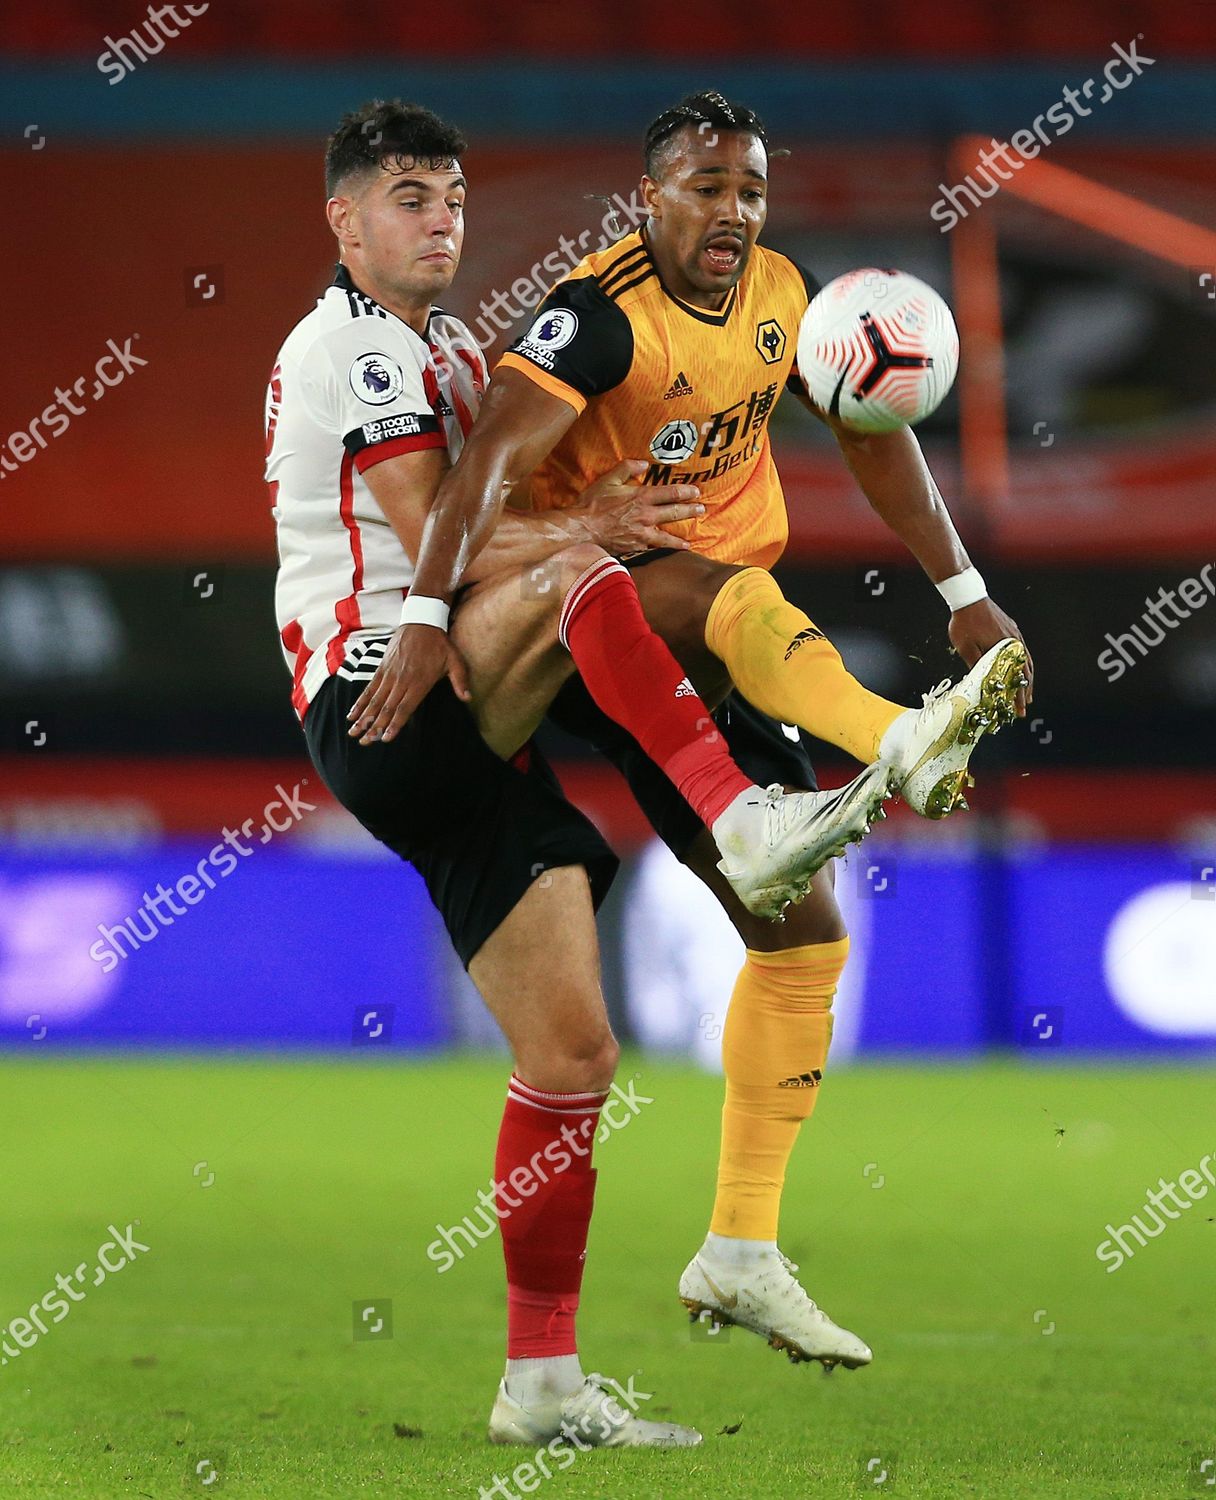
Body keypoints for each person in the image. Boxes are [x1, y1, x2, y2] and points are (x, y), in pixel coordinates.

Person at [357, 90, 1031, 1373]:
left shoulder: (789, 299)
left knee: (804, 942)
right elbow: (489, 465)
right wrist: (433, 612)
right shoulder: (597, 315)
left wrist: (962, 595)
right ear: (651, 194)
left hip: (703, 643)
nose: (733, 213)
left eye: (751, 190)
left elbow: (871, 430)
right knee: (713, 586)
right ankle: (898, 736)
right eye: (708, 187)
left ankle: (739, 1251)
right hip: (576, 610)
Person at [265, 99, 893, 1451]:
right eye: (410, 198)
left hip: (460, 720)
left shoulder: (432, 351)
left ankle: (539, 1386)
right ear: (345, 219)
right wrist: (591, 514)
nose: (441, 221)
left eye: (453, 198)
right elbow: (442, 530)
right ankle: (740, 808)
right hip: (390, 687)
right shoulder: (359, 351)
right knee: (589, 566)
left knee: (574, 1055)